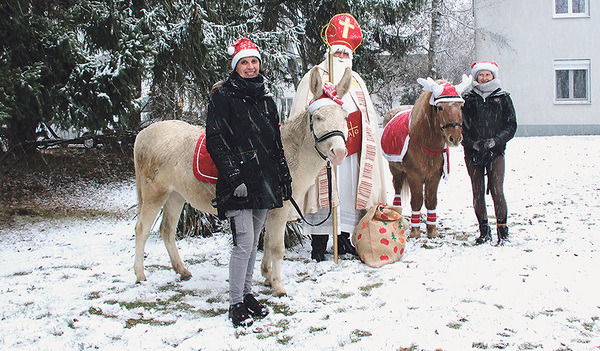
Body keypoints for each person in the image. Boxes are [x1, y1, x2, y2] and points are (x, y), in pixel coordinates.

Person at [205, 37, 293, 327]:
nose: (250, 67)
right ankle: (235, 303)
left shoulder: (267, 99)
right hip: (239, 181)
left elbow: (275, 142)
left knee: (253, 241)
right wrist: (233, 177)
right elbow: (216, 141)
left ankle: (247, 294)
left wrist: (283, 176)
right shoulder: (223, 97)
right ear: (235, 66)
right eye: (244, 62)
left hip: (264, 180)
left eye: (254, 61)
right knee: (243, 243)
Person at [288, 13, 388, 261]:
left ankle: (343, 239)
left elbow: (368, 118)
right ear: (329, 51)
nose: (341, 56)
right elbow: (303, 112)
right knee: (323, 192)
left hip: (351, 151)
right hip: (322, 149)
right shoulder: (315, 76)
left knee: (347, 193)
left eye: (345, 53)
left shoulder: (356, 81)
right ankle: (319, 244)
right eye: (337, 52)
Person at [461, 61, 517, 246]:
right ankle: (484, 231)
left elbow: (511, 125)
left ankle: (503, 231)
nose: (484, 78)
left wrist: (496, 141)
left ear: (493, 76)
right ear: (476, 77)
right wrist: (472, 144)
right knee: (478, 192)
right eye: (481, 75)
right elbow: (461, 127)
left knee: (497, 190)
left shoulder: (502, 97)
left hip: (496, 152)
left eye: (488, 74)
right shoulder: (468, 99)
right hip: (474, 153)